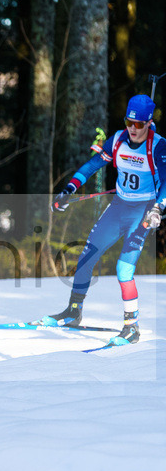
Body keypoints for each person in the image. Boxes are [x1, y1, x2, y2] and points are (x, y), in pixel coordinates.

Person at [46, 93, 166, 343]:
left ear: (149, 122)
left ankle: (131, 326)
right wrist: (69, 189)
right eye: (129, 123)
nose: (133, 129)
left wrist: (157, 208)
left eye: (139, 124)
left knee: (123, 268)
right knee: (87, 255)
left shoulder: (158, 146)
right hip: (118, 207)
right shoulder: (118, 140)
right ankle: (73, 312)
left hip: (142, 212)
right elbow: (91, 165)